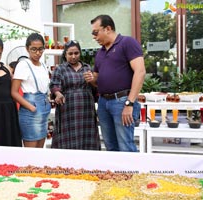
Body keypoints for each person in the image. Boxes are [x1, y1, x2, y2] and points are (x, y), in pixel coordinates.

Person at [84, 15, 146, 152]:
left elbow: (140, 72)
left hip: (122, 101)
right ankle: (116, 174)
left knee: (125, 146)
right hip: (103, 102)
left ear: (108, 28)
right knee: (110, 146)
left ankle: (132, 174)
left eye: (95, 32)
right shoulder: (100, 53)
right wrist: (92, 79)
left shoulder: (127, 43)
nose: (94, 37)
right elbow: (98, 81)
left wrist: (129, 103)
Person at [49, 40, 100, 150]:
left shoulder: (87, 68)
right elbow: (54, 85)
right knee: (67, 139)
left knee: (87, 136)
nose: (73, 56)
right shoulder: (60, 69)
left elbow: (96, 88)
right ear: (65, 54)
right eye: (70, 54)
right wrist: (58, 94)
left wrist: (92, 81)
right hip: (67, 111)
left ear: (80, 53)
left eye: (76, 53)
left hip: (86, 110)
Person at [11, 33, 51, 148]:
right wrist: (31, 107)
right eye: (34, 49)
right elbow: (14, 92)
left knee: (40, 149)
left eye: (40, 49)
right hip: (30, 112)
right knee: (31, 152)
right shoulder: (23, 65)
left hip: (43, 110)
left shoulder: (43, 65)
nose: (38, 53)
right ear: (27, 49)